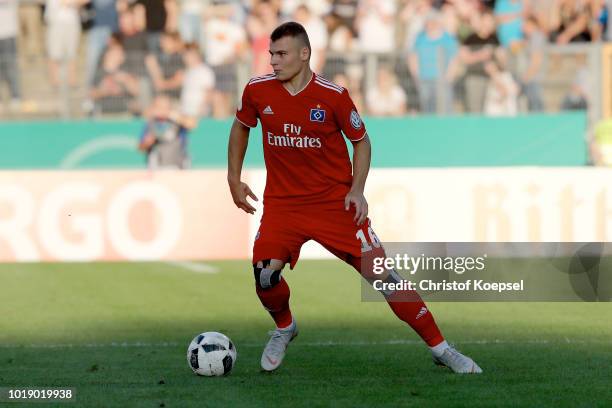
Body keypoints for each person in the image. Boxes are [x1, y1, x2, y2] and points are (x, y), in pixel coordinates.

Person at [227, 21, 482, 374]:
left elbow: (361, 141)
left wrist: (357, 189)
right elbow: (242, 126)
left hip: (336, 206)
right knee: (263, 275)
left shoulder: (333, 96)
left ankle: (442, 349)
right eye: (271, 54)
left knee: (384, 277)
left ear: (305, 54)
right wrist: (233, 176)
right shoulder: (258, 90)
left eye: (281, 54)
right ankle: (285, 327)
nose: (273, 61)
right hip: (284, 207)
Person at [139, 94, 195, 169]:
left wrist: (172, 115)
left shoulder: (177, 121)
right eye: (159, 107)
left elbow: (191, 125)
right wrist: (148, 142)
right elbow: (140, 147)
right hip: (157, 167)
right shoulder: (151, 124)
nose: (162, 110)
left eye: (165, 107)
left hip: (178, 166)